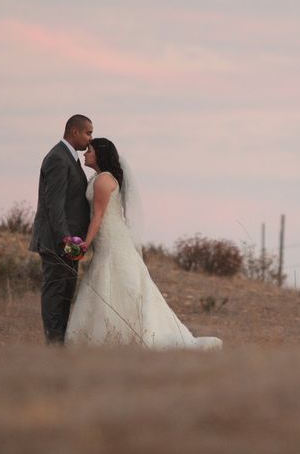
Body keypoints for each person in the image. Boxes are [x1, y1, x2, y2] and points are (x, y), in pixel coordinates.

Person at [65, 138, 222, 350]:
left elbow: (98, 216)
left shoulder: (103, 180)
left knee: (117, 283)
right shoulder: (98, 178)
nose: (85, 153)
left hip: (112, 241)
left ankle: (124, 334)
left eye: (89, 150)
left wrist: (84, 244)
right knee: (110, 282)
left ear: (99, 154)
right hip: (106, 242)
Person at [29, 115, 93, 344]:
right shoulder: (58, 158)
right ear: (74, 132)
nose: (90, 138)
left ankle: (60, 346)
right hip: (57, 243)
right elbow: (54, 206)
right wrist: (66, 240)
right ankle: (54, 345)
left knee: (65, 295)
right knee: (55, 295)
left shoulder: (69, 157)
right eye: (88, 133)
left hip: (68, 244)